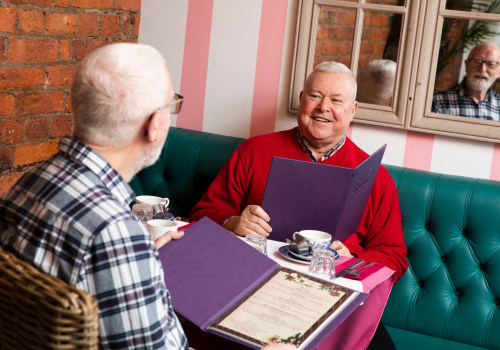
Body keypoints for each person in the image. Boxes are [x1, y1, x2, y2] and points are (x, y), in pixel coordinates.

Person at [0, 43, 295, 350]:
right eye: (171, 105)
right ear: (154, 125)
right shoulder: (116, 235)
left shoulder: (31, 180)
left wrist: (138, 255)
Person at [189, 61, 408, 283]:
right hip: (249, 276)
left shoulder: (376, 178)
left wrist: (352, 260)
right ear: (302, 99)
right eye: (315, 96)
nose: (323, 107)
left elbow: (394, 258)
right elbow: (200, 214)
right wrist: (232, 222)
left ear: (353, 110)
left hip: (330, 288)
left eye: (336, 100)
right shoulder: (254, 151)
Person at [432, 41, 500, 121]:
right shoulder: (439, 102)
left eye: (491, 64)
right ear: (466, 65)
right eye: (476, 62)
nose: (482, 69)